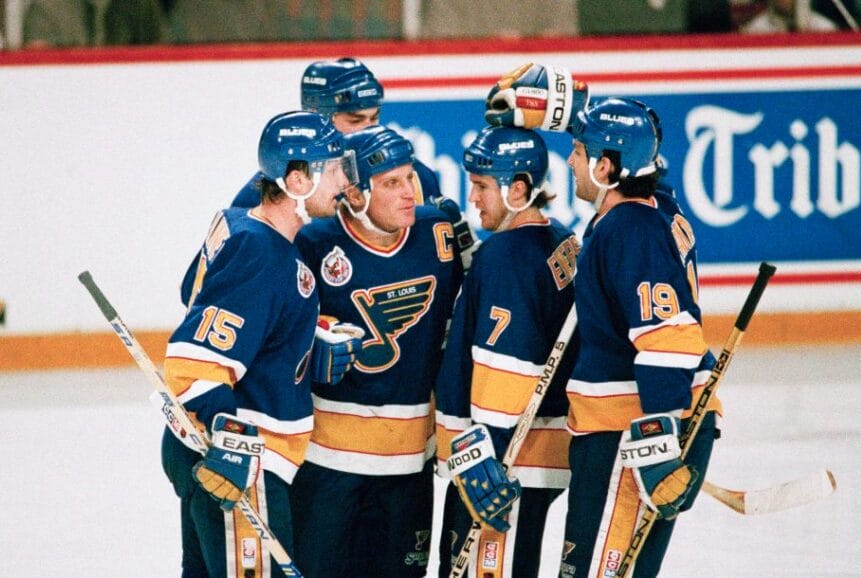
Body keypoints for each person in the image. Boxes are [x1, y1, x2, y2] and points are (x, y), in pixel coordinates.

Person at [160, 110, 361, 578]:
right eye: (332, 169)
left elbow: (198, 294)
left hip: (220, 454)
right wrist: (228, 435)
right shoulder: (261, 253)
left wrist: (300, 344)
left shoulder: (241, 225)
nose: (344, 182)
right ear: (296, 180)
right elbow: (195, 361)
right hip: (239, 461)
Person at [291, 125, 464, 577]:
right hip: (328, 464)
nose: (410, 192)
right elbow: (281, 334)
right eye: (392, 182)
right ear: (354, 192)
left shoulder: (438, 235)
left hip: (409, 465)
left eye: (410, 178)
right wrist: (312, 344)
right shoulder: (314, 243)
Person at [559, 97, 720, 578]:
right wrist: (574, 112)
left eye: (579, 149)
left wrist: (657, 438)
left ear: (606, 167)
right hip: (628, 428)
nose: (570, 159)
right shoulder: (649, 210)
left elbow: (669, 339)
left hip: (630, 433)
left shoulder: (630, 230)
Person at [434, 126, 578, 578]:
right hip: (542, 451)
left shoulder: (506, 258)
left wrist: (483, 460)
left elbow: (507, 370)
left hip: (502, 464)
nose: (472, 197)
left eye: (481, 186)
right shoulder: (561, 237)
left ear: (518, 189)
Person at [231, 57, 478, 266]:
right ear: (318, 119)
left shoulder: (415, 177)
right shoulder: (277, 189)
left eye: (374, 118)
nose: (369, 131)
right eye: (356, 121)